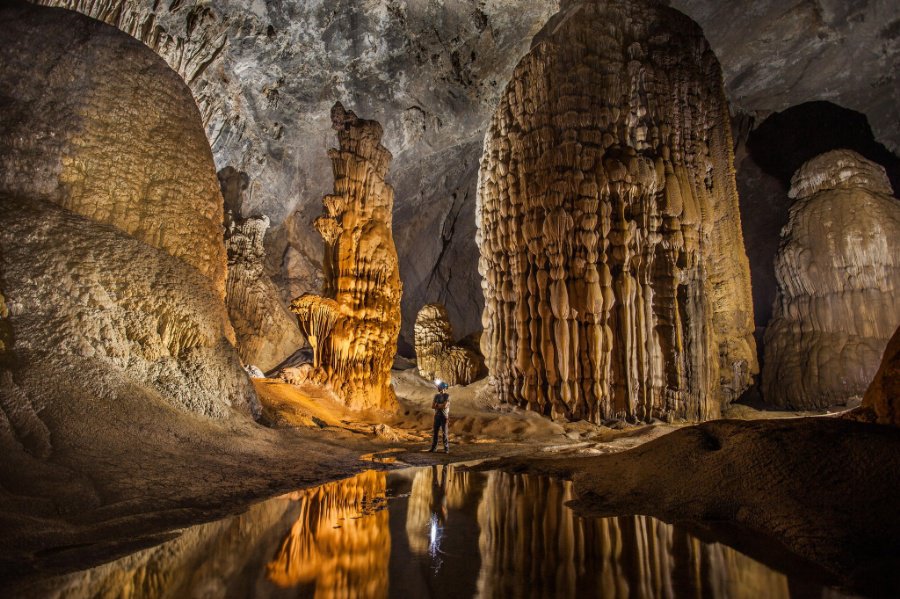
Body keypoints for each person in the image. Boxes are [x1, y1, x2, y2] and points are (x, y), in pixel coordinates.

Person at [429, 380, 450, 453]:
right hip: (437, 416)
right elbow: (432, 406)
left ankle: (446, 449)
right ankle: (434, 448)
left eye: (439, 387)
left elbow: (444, 406)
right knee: (435, 433)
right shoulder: (436, 396)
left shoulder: (447, 396)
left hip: (444, 417)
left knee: (445, 433)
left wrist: (437, 405)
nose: (438, 388)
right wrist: (440, 405)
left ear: (442, 388)